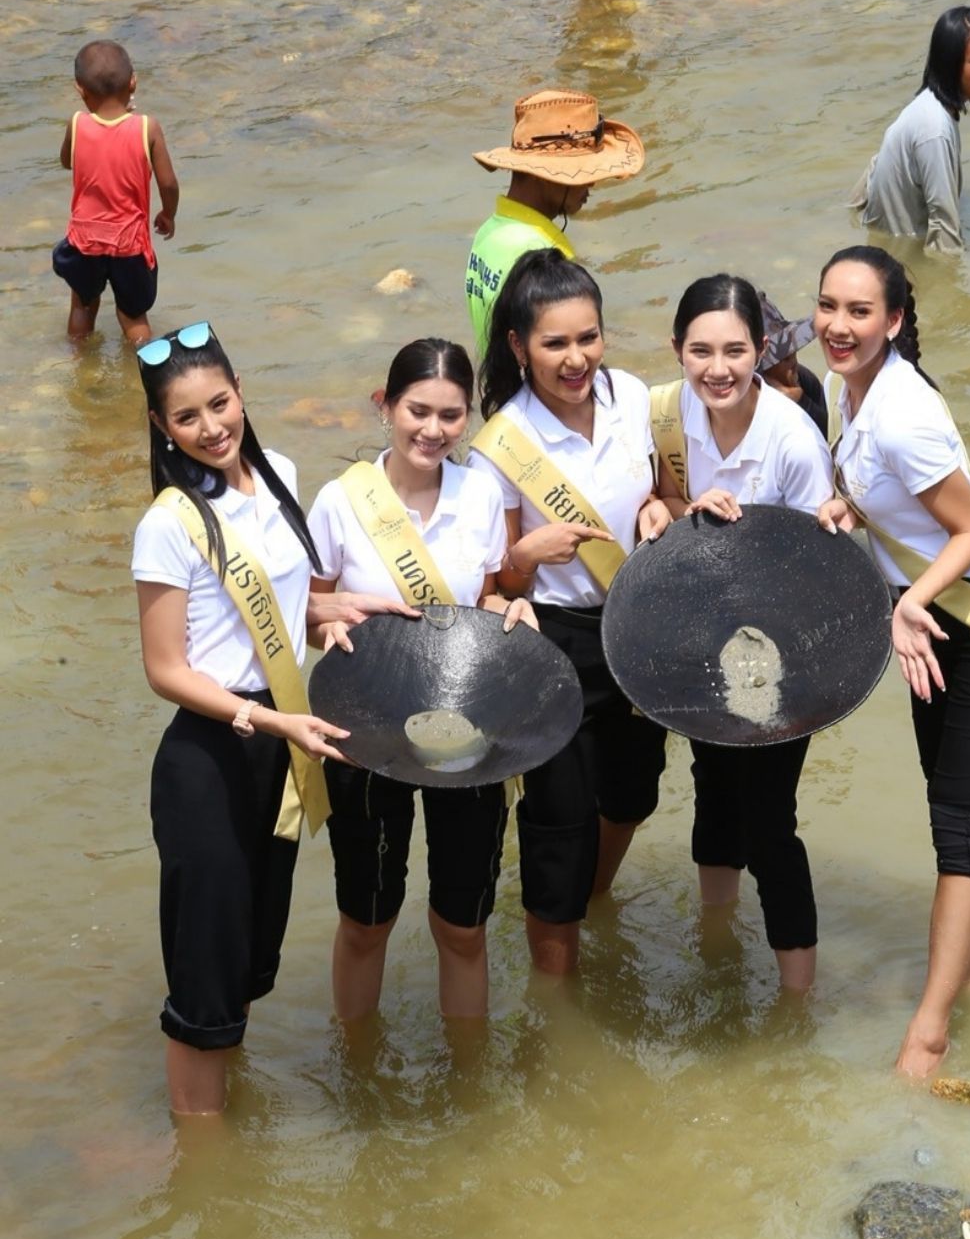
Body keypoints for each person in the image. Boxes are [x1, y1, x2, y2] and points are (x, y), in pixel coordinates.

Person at [814, 246, 970, 1077]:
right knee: (956, 809)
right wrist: (849, 508)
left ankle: (930, 1031)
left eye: (858, 313)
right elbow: (898, 503)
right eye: (829, 308)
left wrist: (911, 603)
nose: (839, 327)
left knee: (957, 823)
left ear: (894, 322)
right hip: (935, 626)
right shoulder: (858, 394)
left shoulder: (902, 413)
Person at [131, 323, 349, 1115]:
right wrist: (274, 724)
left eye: (219, 403)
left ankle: (234, 1152)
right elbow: (166, 669)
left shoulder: (280, 474)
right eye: (186, 418)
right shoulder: (168, 522)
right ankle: (203, 1173)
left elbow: (280, 611)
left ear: (240, 392)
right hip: (212, 760)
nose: (211, 427)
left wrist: (337, 610)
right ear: (163, 428)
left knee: (254, 953)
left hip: (282, 747)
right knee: (206, 975)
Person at [307, 338, 537, 1023]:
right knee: (366, 921)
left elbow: (488, 596)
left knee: (462, 928)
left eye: (450, 415)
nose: (432, 430)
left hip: (465, 730)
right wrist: (326, 623)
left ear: (467, 417)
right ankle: (358, 1072)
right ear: (386, 406)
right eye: (417, 411)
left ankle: (468, 1080)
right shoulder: (341, 502)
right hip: (367, 731)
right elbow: (313, 612)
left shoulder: (481, 493)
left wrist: (512, 607)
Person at [471, 249, 670, 974]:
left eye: (589, 337)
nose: (576, 357)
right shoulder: (501, 445)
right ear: (519, 346)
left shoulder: (632, 400)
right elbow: (489, 583)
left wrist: (655, 507)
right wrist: (527, 552)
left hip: (635, 625)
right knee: (558, 820)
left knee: (634, 791)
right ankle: (556, 998)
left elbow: (663, 491)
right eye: (555, 343)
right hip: (549, 639)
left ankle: (592, 904)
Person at [652, 276, 833, 991]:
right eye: (700, 351)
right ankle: (716, 937)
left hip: (783, 648)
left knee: (768, 818)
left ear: (761, 351)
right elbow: (657, 500)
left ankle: (797, 998)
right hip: (703, 637)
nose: (717, 369)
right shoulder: (667, 418)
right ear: (677, 350)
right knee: (711, 785)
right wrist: (678, 507)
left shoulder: (790, 438)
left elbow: (824, 560)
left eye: (735, 351)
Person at [464, 87, 645, 350]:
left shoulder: (489, 232)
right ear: (544, 175)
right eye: (582, 172)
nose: (592, 183)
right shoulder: (543, 256)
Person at [52, 39, 180, 345]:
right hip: (129, 244)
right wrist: (168, 214)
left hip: (86, 241)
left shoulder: (77, 123)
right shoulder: (147, 128)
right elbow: (168, 184)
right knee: (133, 316)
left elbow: (67, 161)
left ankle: (79, 367)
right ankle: (142, 370)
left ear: (80, 89)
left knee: (83, 305)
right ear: (133, 82)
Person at [851, 6, 970, 254]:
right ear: (950, 62)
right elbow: (944, 228)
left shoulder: (927, 104)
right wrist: (954, 287)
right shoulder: (935, 128)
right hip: (897, 249)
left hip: (881, 235)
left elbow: (875, 166)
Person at [756, 288, 826, 435]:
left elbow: (828, 430)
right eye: (784, 358)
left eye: (792, 353)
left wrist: (801, 400)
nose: (793, 362)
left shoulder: (804, 379)